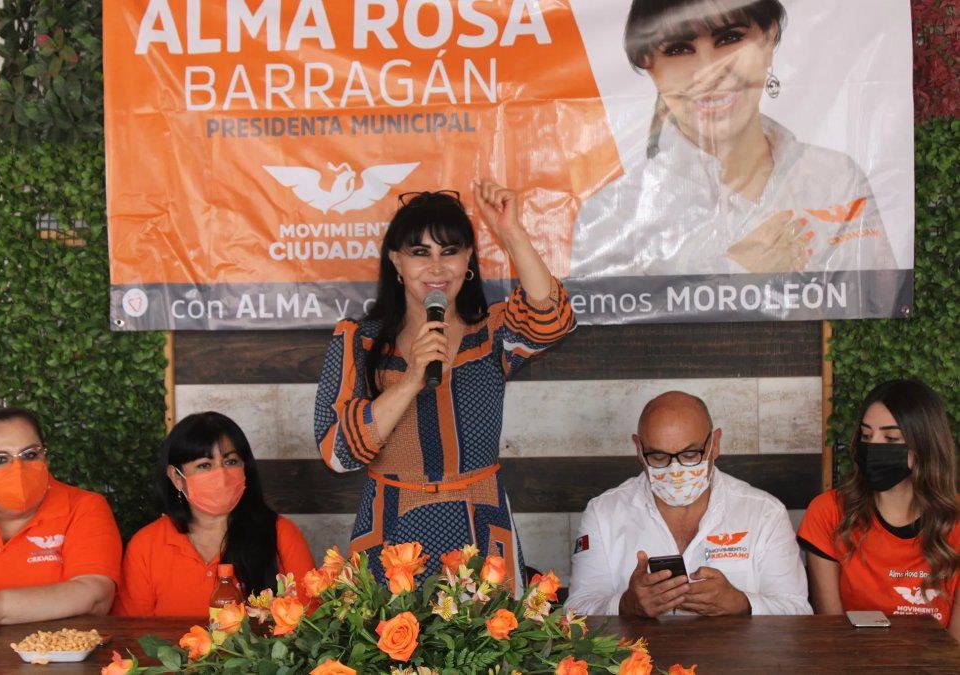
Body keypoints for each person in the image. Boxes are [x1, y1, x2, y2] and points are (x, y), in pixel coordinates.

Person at [314, 182, 575, 592]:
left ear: (468, 259)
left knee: (489, 653)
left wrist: (511, 233)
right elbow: (337, 452)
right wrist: (410, 380)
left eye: (449, 251)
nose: (437, 268)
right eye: (420, 253)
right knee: (393, 650)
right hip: (391, 529)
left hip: (481, 528)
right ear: (396, 263)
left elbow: (551, 319)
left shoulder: (491, 331)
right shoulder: (358, 341)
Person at [570, 0, 897, 277]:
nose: (709, 71)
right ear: (648, 64)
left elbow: (873, 324)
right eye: (680, 49)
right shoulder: (611, 219)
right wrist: (737, 272)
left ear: (769, 40)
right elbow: (606, 345)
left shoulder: (836, 181)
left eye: (728, 39)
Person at [567, 391, 810, 617]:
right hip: (638, 661)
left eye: (690, 455)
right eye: (659, 457)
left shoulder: (764, 513)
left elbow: (798, 610)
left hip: (739, 661)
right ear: (639, 450)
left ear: (715, 444)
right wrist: (626, 605)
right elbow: (575, 611)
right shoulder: (603, 513)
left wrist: (742, 603)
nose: (676, 469)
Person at [797, 380, 960, 640]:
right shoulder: (829, 512)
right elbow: (832, 631)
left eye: (891, 438)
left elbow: (956, 650)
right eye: (866, 435)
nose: (873, 446)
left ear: (925, 445)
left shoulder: (956, 520)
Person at [114, 411, 315, 616]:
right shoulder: (146, 546)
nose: (221, 475)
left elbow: (312, 621)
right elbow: (131, 634)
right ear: (176, 477)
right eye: (205, 465)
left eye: (231, 462)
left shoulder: (281, 534)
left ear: (245, 467)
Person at [0, 407, 121, 631]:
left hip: (62, 661)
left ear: (45, 459)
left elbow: (96, 596)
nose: (17, 469)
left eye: (30, 455)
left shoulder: (83, 507)